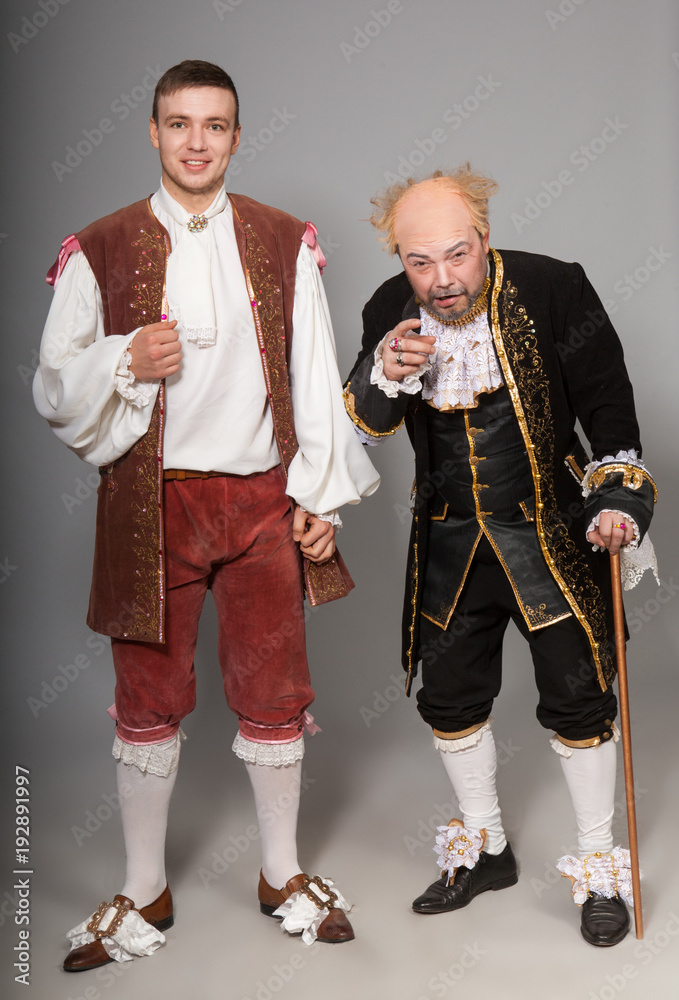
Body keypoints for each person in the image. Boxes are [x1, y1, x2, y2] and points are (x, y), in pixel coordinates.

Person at [34, 60, 379, 972]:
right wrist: (122, 358)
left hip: (263, 500)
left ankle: (280, 872)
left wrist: (320, 496)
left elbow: (312, 370)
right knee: (147, 699)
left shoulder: (281, 239)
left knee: (275, 692)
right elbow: (51, 382)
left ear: (235, 135)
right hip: (151, 506)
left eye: (214, 125)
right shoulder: (98, 244)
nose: (196, 142)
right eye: (179, 124)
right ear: (152, 132)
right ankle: (143, 885)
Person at [343, 166, 657, 947]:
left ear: (483, 238)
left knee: (578, 702)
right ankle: (484, 851)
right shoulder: (389, 310)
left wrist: (617, 500)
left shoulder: (553, 289)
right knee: (447, 700)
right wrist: (386, 370)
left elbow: (610, 410)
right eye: (420, 262)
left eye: (457, 254)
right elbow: (365, 420)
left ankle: (594, 867)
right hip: (448, 544)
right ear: (398, 258)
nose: (441, 280)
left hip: (549, 539)